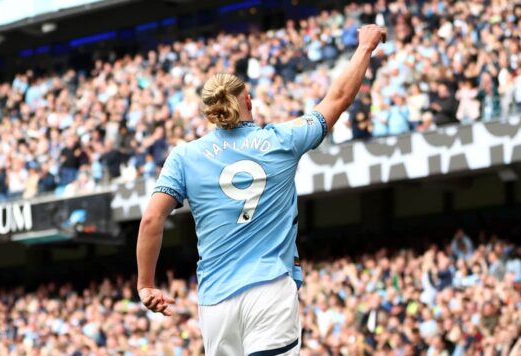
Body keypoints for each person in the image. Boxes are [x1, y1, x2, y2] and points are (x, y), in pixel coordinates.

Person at [136, 25, 386, 355]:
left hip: (215, 302)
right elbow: (338, 99)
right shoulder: (281, 141)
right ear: (248, 100)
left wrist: (146, 284)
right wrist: (365, 48)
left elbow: (152, 220)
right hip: (270, 288)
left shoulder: (185, 156)